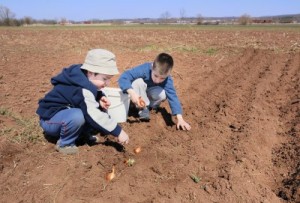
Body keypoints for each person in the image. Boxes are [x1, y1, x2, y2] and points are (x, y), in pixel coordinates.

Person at [36, 49, 129, 155]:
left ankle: (81, 135)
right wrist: (118, 131)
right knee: (81, 115)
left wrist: (99, 98)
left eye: (109, 79)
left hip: (65, 114)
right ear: (90, 72)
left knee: (90, 108)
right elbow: (94, 113)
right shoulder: (81, 88)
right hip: (50, 120)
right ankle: (65, 143)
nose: (107, 83)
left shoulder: (83, 78)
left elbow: (88, 95)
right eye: (104, 79)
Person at [118, 53, 191, 131]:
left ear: (168, 74)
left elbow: (173, 96)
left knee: (162, 94)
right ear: (152, 67)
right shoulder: (144, 69)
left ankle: (150, 107)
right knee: (138, 82)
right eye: (155, 76)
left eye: (162, 78)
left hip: (149, 94)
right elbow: (124, 77)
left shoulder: (167, 80)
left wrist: (180, 118)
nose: (157, 80)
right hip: (137, 93)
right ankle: (142, 108)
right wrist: (132, 93)